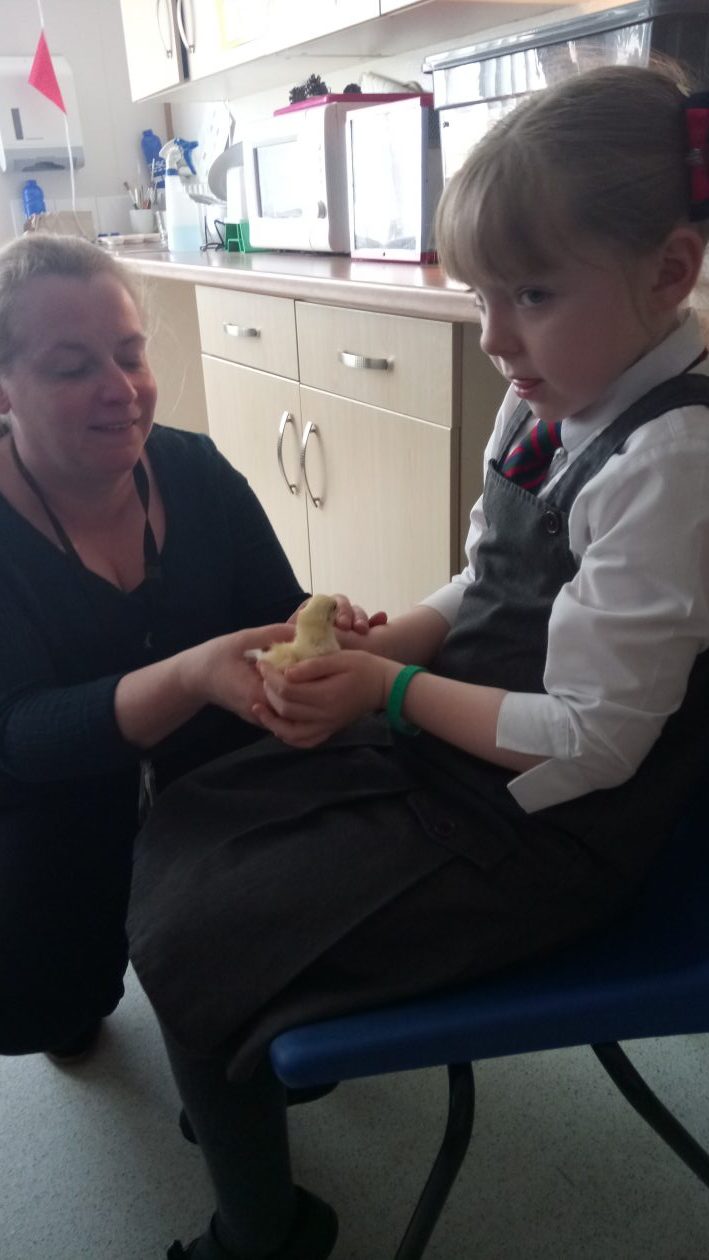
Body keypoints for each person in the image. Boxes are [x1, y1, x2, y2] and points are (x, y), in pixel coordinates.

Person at [127, 64, 709, 1260]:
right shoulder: (552, 391)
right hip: (465, 753)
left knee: (204, 929)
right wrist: (393, 642)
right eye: (481, 295)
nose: (493, 338)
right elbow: (486, 578)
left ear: (669, 271)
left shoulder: (673, 465)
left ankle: (261, 1229)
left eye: (531, 293)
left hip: (547, 831)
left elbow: (594, 742)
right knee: (196, 799)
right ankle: (242, 1055)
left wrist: (391, 691)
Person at [0, 232, 377, 1065]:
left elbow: (276, 606)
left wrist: (316, 630)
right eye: (72, 368)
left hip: (215, 773)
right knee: (44, 1007)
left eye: (130, 354)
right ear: (4, 389)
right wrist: (192, 674)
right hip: (54, 797)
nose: (121, 390)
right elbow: (20, 734)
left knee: (263, 979)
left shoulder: (194, 471)